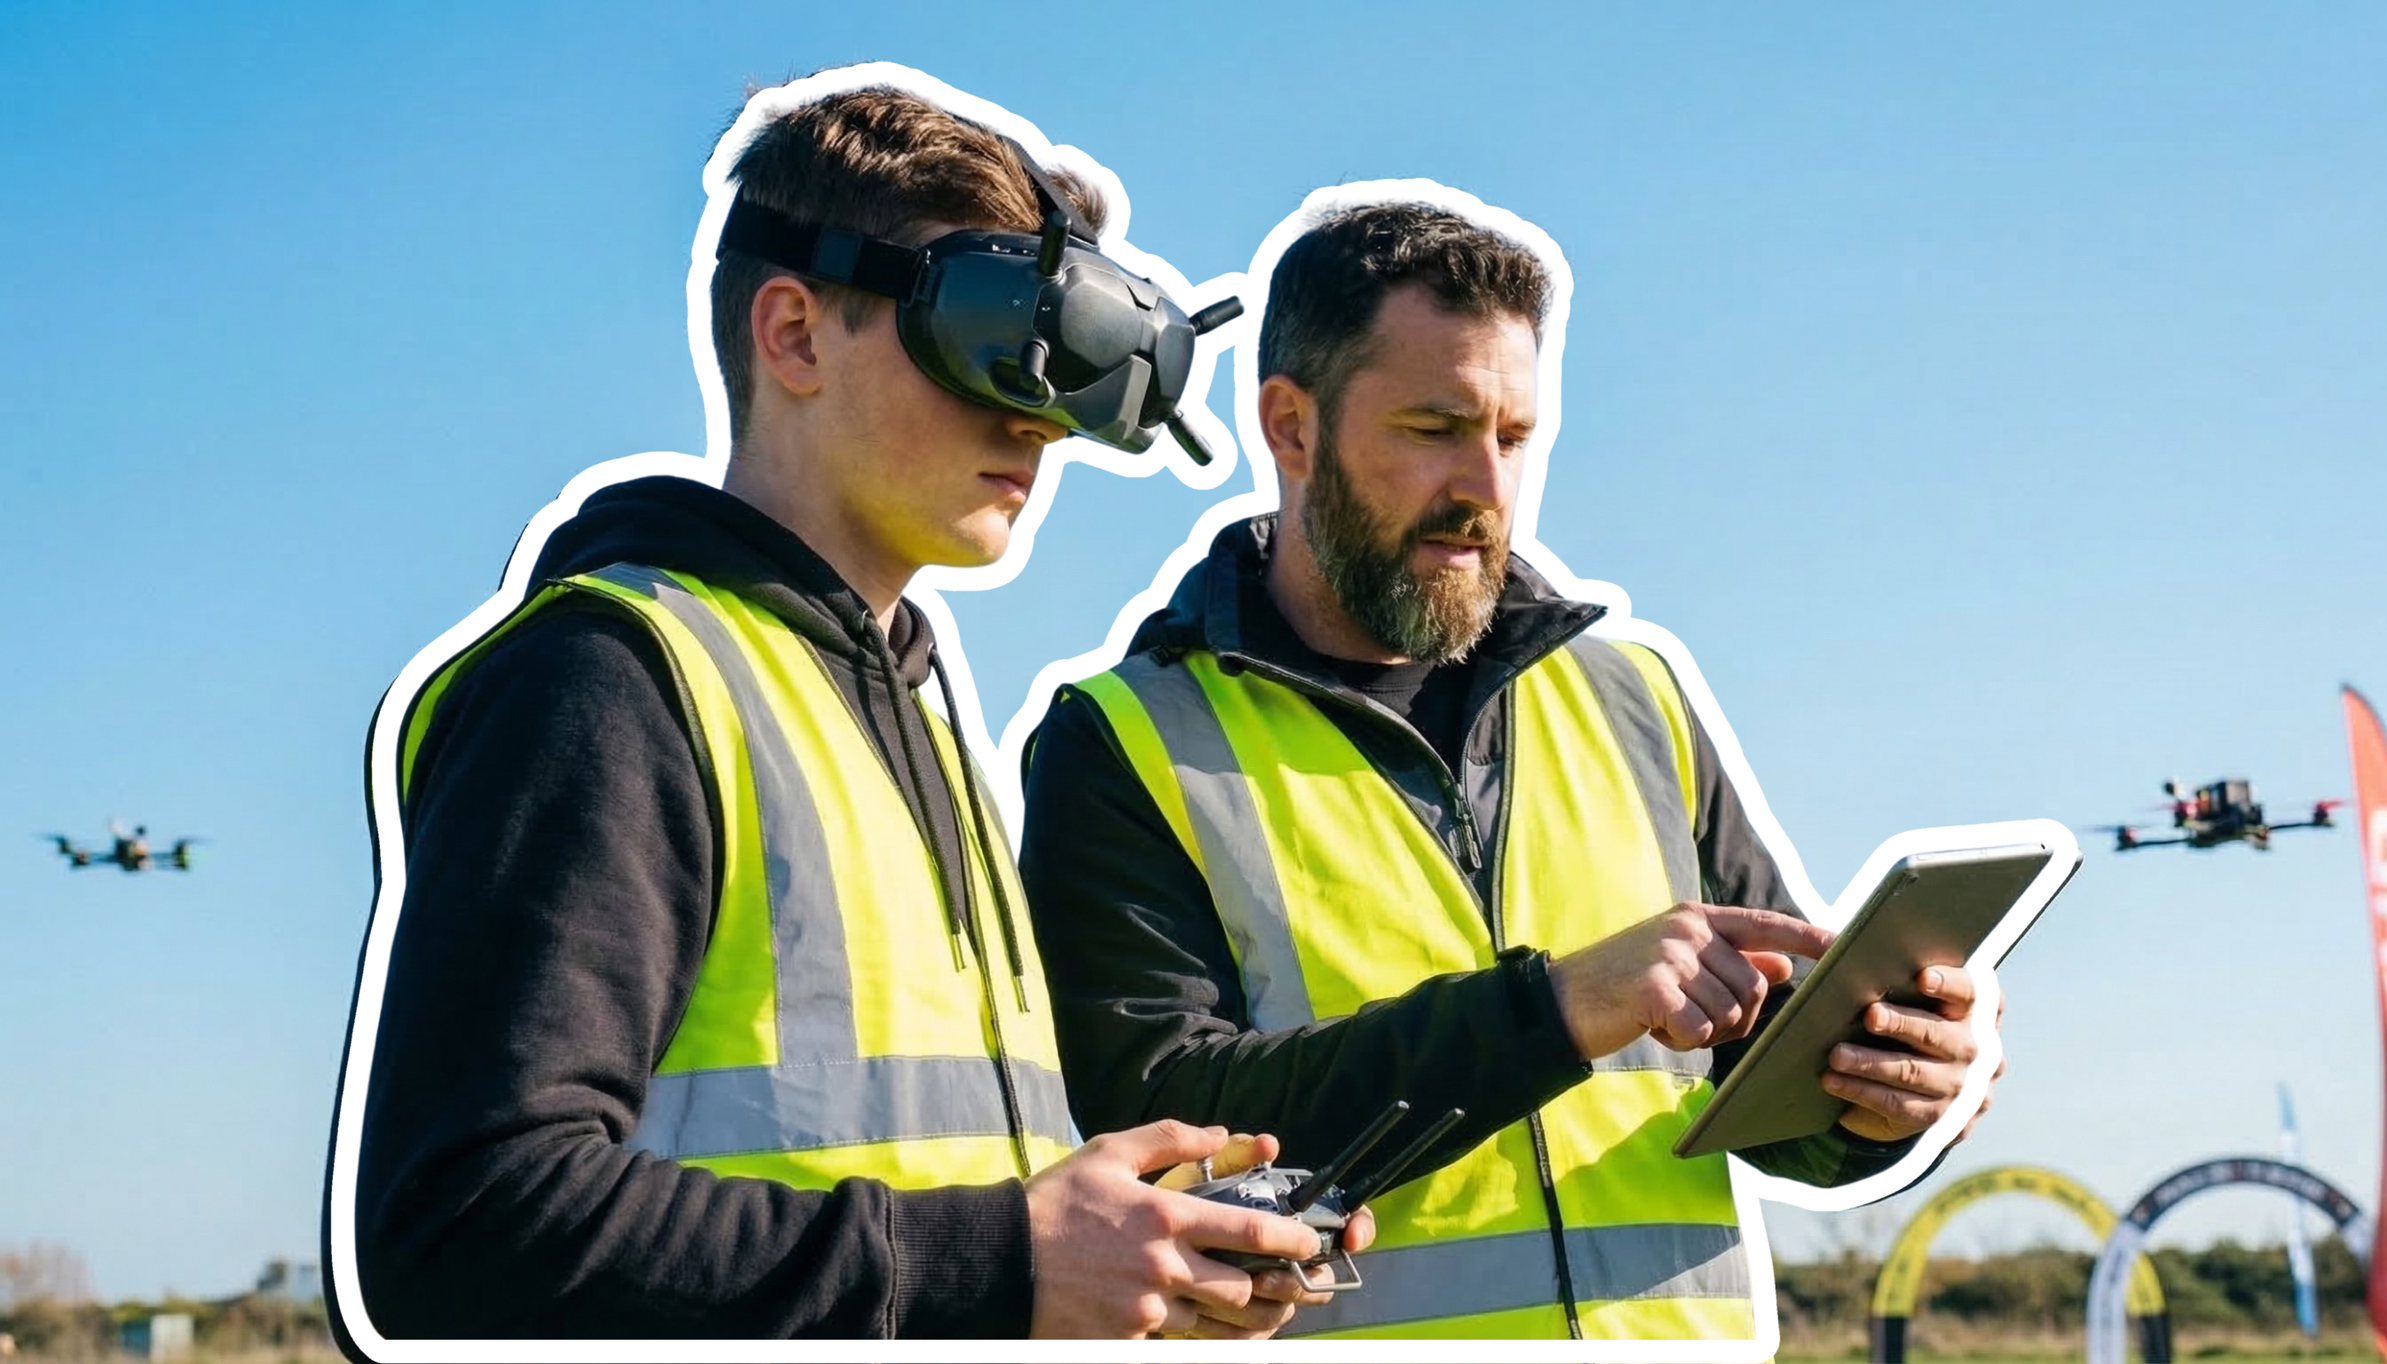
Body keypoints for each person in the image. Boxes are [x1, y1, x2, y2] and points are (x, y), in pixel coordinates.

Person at [332, 78, 1363, 1342]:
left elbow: (924, 1186)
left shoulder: (917, 716)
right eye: (990, 333)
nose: (1035, 415)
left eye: (1066, 368)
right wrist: (1007, 1254)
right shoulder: (611, 681)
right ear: (795, 334)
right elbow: (460, 1226)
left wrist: (1140, 1248)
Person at [1019, 200, 2004, 1340]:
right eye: (1435, 426)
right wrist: (1553, 1010)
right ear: (1289, 427)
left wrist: (1886, 1087)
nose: (1486, 484)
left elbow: (1777, 1098)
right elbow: (1155, 1127)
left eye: (1514, 435)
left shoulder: (1635, 698)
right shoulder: (1123, 739)